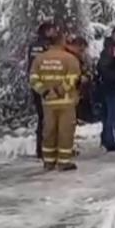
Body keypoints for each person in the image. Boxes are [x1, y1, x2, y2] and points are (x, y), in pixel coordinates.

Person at [29, 31, 82, 171]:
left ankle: (48, 161)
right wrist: (59, 91)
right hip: (65, 102)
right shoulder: (70, 59)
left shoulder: (39, 59)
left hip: (48, 103)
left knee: (49, 131)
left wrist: (45, 92)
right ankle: (63, 162)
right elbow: (72, 79)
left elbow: (33, 79)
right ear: (62, 42)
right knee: (65, 132)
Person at [27, 21, 58, 159]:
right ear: (46, 31)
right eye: (53, 30)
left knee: (43, 118)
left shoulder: (34, 46)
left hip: (38, 86)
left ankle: (42, 148)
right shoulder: (45, 47)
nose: (55, 33)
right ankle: (45, 149)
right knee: (47, 118)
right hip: (45, 86)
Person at [98, 28, 115, 151]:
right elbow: (104, 69)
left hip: (114, 87)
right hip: (111, 87)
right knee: (113, 115)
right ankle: (109, 140)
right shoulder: (109, 51)